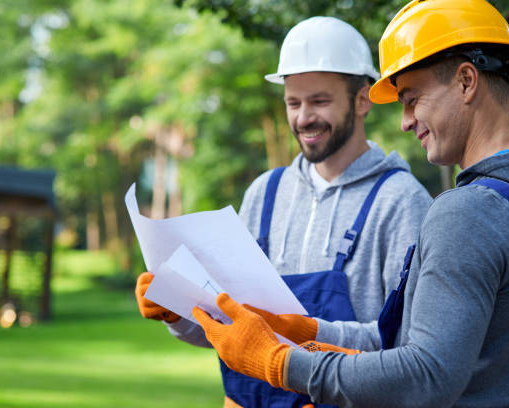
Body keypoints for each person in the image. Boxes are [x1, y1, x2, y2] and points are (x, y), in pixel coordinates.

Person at [191, 1, 509, 407]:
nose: (405, 120)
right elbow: (402, 340)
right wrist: (306, 332)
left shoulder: (468, 212)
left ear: (467, 81)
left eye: (412, 98)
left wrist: (280, 363)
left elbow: (425, 375)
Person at [135, 16, 432, 408]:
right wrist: (179, 314)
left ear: (363, 99)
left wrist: (313, 336)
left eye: (320, 101)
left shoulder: (400, 202)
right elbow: (230, 327)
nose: (304, 117)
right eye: (293, 102)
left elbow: (408, 349)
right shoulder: (264, 193)